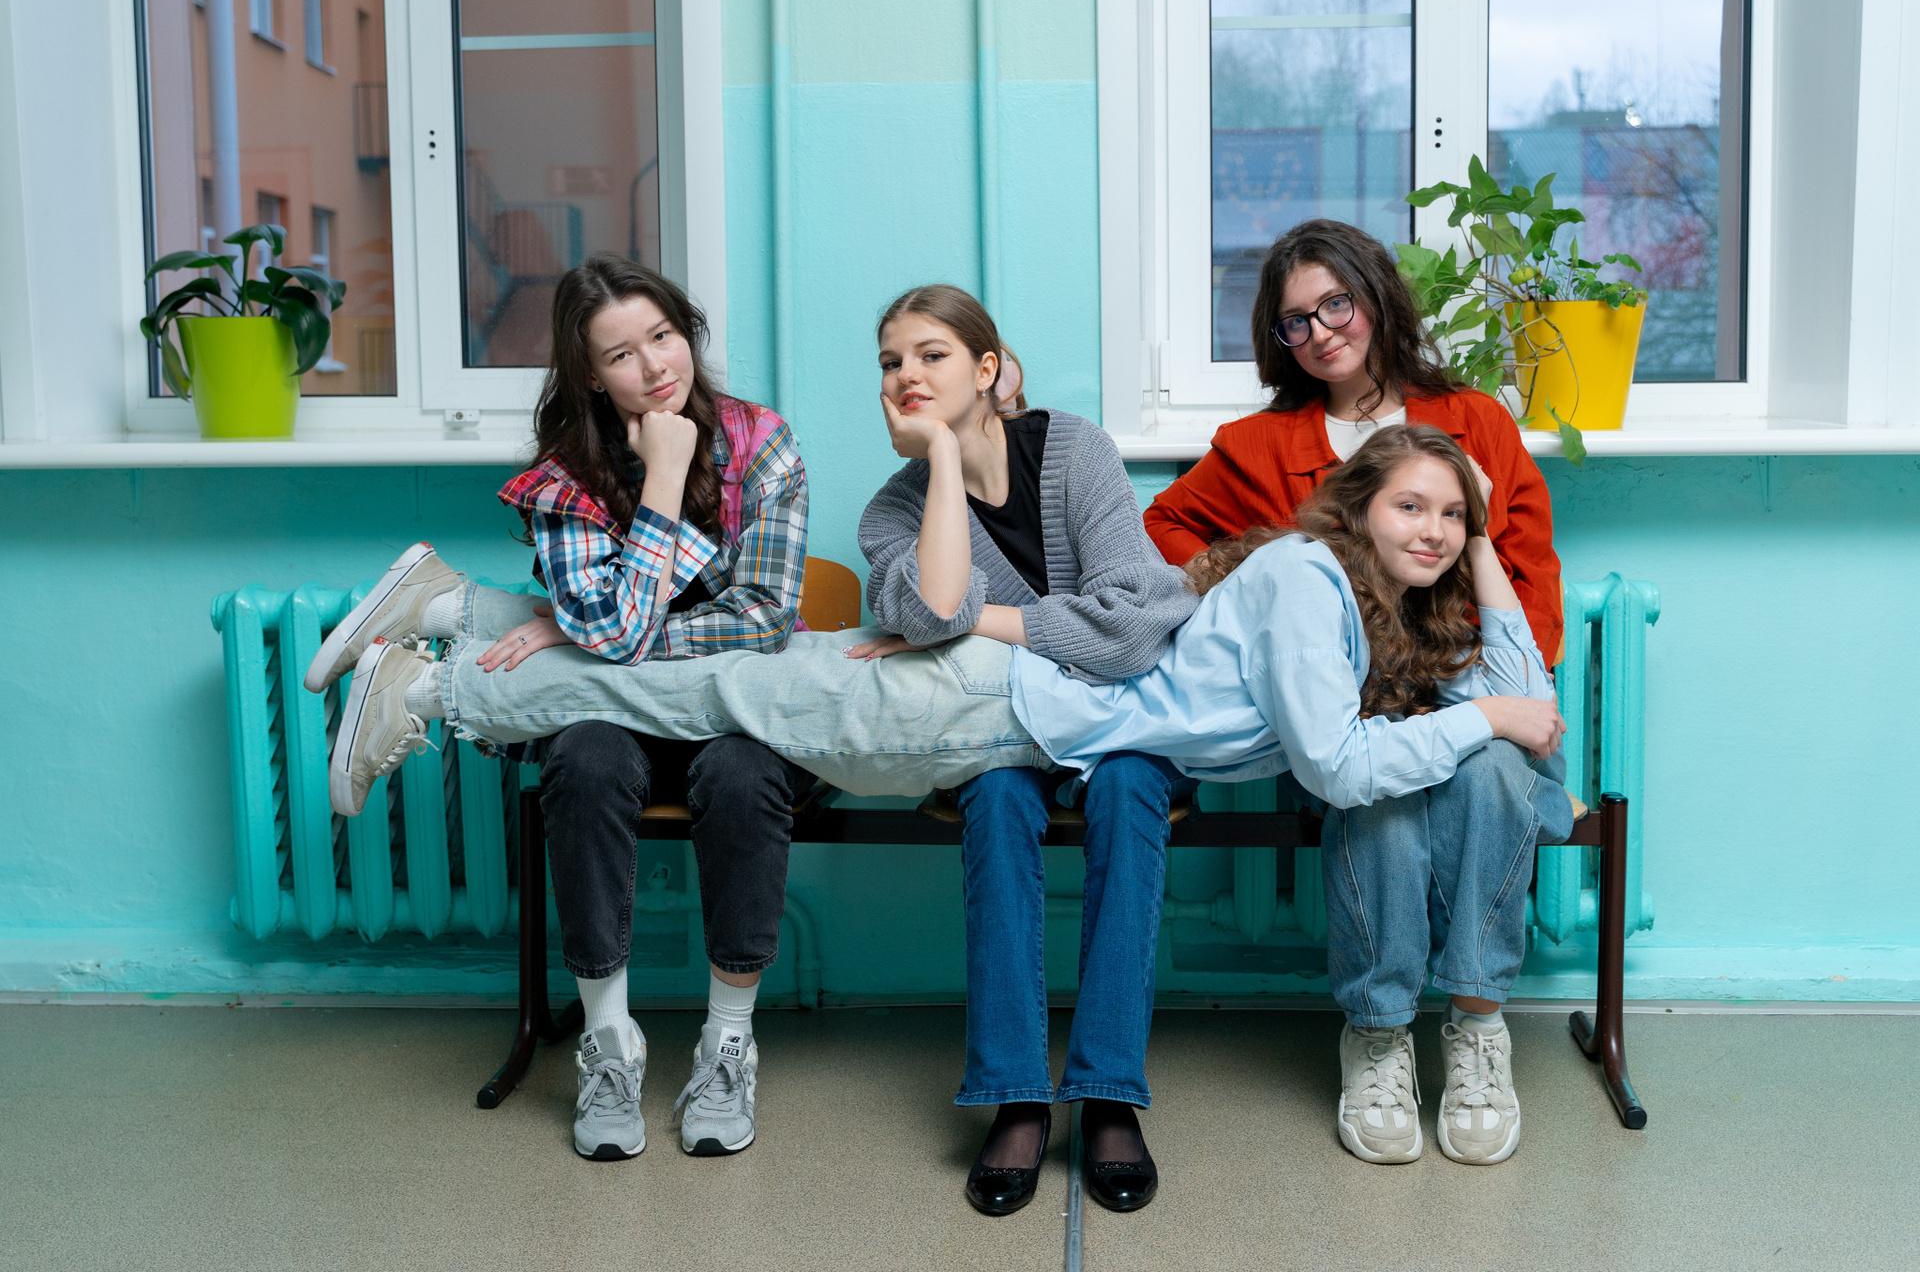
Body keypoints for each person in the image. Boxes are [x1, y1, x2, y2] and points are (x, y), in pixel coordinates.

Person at [328, 425, 1570, 1173]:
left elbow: (1530, 702)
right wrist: (1489, 718)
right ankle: (433, 683)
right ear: (1356, 508)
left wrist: (1484, 561)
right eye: (1412, 505)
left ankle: (449, 608)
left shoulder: (1377, 600)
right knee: (711, 688)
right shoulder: (1308, 576)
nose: (1432, 527)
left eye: (1451, 514)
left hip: (1012, 708)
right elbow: (1341, 764)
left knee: (716, 677)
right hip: (990, 702)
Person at [307, 255, 810, 1163]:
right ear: (590, 375)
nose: (653, 367)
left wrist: (577, 633)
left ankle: (727, 1045)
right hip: (611, 721)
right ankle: (609, 1045)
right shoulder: (566, 477)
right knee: (584, 760)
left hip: (734, 712)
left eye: (663, 337)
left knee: (743, 773)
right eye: (621, 355)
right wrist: (662, 483)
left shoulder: (759, 441)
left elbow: (765, 619)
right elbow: (618, 631)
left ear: (687, 333)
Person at [851, 285, 1198, 1215]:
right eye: (890, 362)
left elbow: (1131, 632)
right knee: (998, 795)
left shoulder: (1075, 450)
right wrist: (938, 457)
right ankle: (1014, 1093)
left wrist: (983, 623)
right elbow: (932, 610)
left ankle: (1108, 1092)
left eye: (931, 354)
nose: (907, 374)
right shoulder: (891, 514)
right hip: (1004, 730)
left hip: (1129, 721)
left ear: (988, 369)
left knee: (1129, 789)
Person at [1143, 218, 1564, 665]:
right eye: (1296, 321)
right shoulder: (1255, 444)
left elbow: (1534, 572)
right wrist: (1244, 592)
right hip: (1333, 679)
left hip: (1470, 670)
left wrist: (1523, 678)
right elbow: (1159, 524)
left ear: (1377, 295)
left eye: (1335, 304)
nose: (1320, 333)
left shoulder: (1479, 420)